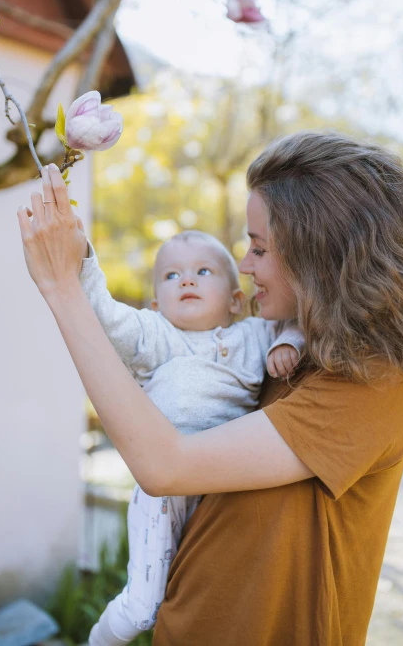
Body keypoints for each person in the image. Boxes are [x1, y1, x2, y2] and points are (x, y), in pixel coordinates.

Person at [17, 131, 403, 645]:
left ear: (322, 255)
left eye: (259, 247)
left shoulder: (378, 380)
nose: (244, 265)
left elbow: (165, 465)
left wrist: (62, 289)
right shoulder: (289, 345)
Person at [78, 230, 304, 645]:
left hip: (221, 487)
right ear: (155, 304)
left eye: (203, 271)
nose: (186, 280)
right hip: (161, 491)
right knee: (144, 607)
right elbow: (103, 314)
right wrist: (84, 259)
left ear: (236, 300)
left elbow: (301, 319)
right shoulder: (154, 337)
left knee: (203, 586)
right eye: (171, 276)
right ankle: (97, 640)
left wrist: (288, 342)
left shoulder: (256, 335)